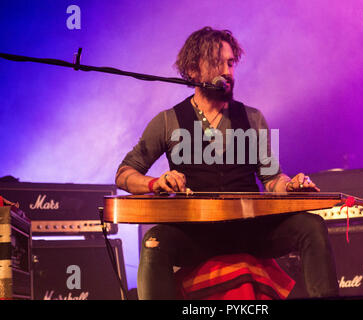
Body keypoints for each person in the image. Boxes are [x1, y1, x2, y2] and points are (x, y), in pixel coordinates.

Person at [115, 26, 339, 299]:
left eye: (231, 63)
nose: (228, 71)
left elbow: (271, 179)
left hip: (250, 230)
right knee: (153, 244)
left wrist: (290, 186)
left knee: (312, 226)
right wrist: (156, 182)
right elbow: (124, 173)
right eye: (217, 63)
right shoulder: (168, 121)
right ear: (193, 70)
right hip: (196, 233)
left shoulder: (252, 118)